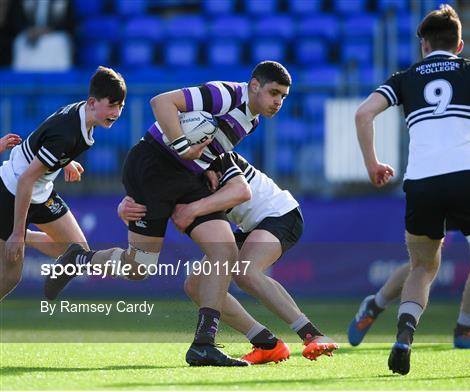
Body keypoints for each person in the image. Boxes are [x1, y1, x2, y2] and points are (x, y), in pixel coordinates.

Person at [44, 61, 292, 367]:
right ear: (254, 86)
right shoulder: (225, 94)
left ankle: (204, 344)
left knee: (224, 251)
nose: (278, 101)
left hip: (188, 178)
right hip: (155, 165)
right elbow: (161, 102)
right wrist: (182, 143)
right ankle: (78, 259)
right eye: (274, 93)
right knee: (140, 268)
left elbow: (211, 150)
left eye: (283, 96)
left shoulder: (252, 122)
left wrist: (210, 167)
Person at [355, 4, 470, 376]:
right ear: (459, 45)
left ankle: (404, 336)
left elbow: (363, 113)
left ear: (423, 44)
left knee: (422, 266)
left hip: (420, 183)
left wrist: (372, 163)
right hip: (466, 178)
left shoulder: (404, 77)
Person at [168, 151, 338, 364]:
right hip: (248, 225)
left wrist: (192, 209)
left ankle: (312, 334)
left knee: (246, 272)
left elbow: (241, 192)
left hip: (279, 214)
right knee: (195, 285)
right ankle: (266, 343)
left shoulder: (217, 155)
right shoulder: (177, 171)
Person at [0, 66, 126, 300]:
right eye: (112, 105)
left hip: (40, 190)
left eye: (120, 106)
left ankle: (24, 236)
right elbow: (27, 178)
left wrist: (63, 162)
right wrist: (17, 233)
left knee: (75, 250)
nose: (116, 112)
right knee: (10, 277)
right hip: (13, 190)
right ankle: (19, 234)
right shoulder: (67, 133)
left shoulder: (82, 115)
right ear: (92, 102)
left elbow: (44, 137)